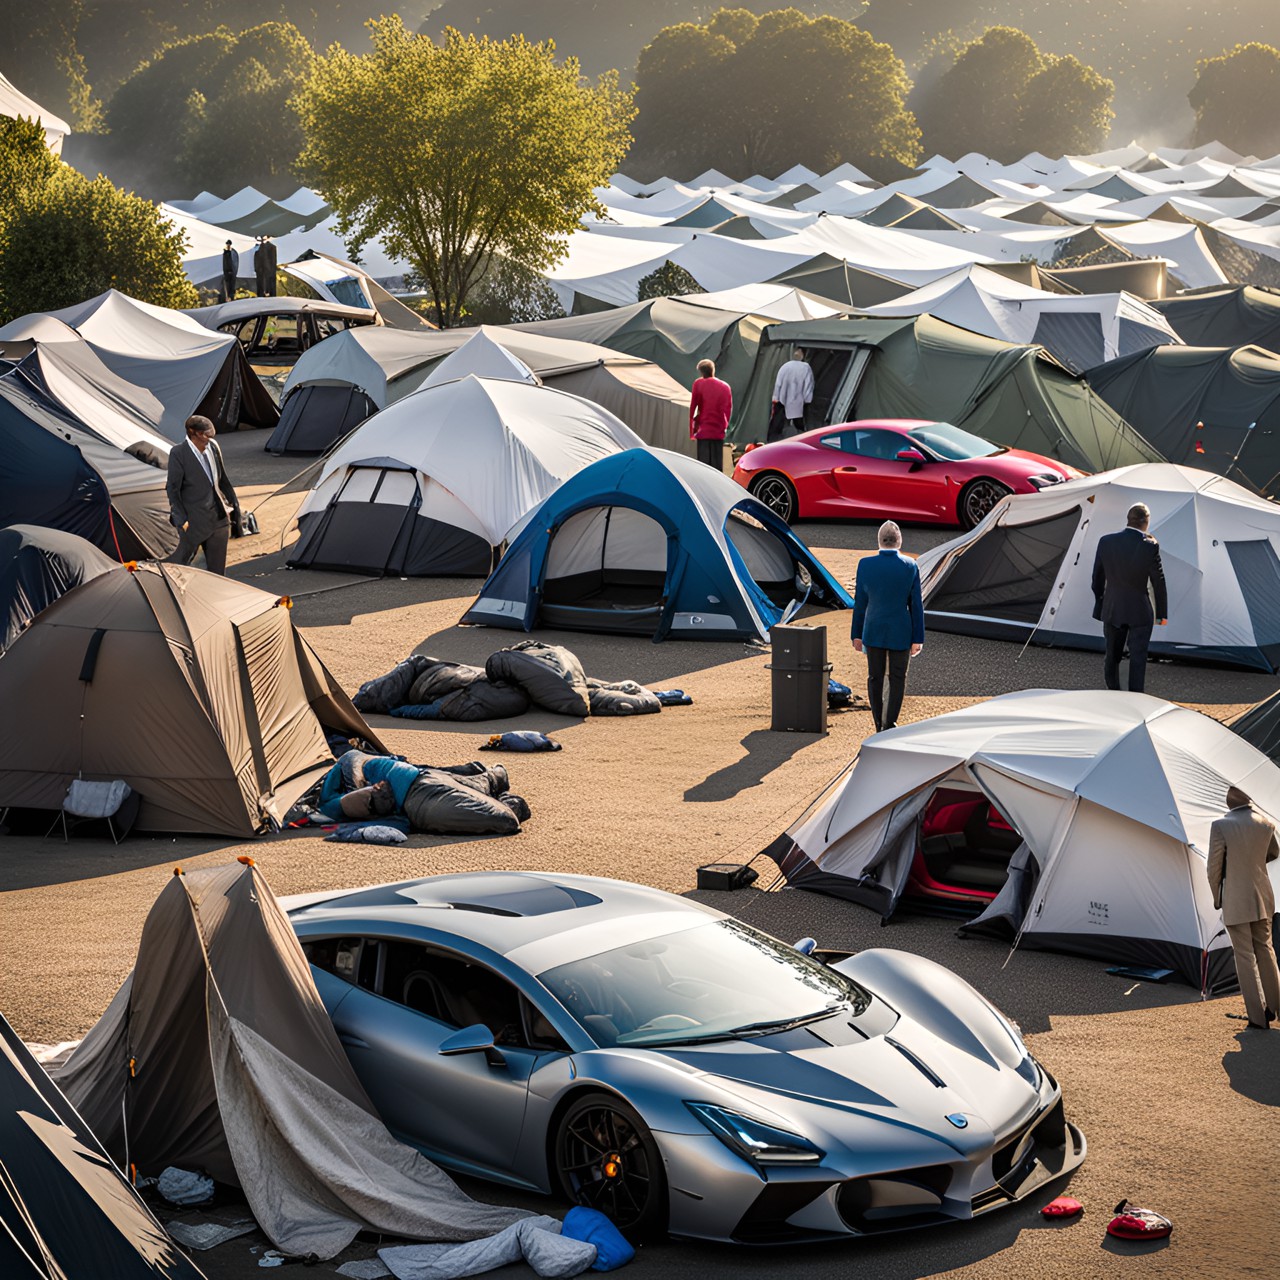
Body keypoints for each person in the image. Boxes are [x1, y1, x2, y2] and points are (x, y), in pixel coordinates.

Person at [1207, 786, 1280, 1030]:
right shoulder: (1266, 824)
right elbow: (1274, 852)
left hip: (1235, 898)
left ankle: (1257, 1018)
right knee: (1266, 951)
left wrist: (1218, 896)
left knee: (1245, 956)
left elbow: (1213, 867)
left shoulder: (1220, 825)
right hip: (1262, 895)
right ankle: (1275, 1009)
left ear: (1229, 804)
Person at [851, 520, 924, 732]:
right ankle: (889, 722)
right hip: (901, 629)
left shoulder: (865, 564)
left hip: (873, 628)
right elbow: (916, 605)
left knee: (875, 676)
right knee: (898, 678)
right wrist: (918, 637)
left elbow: (860, 603)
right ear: (899, 542)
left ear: (879, 541)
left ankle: (877, 723)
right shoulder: (910, 565)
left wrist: (856, 633)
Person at [1090, 502, 1167, 693]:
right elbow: (1159, 582)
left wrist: (1101, 603)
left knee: (1112, 653)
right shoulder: (1150, 546)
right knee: (1138, 656)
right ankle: (1135, 695)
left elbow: (1096, 578)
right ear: (1146, 522)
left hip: (1112, 606)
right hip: (1140, 610)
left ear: (1128, 519)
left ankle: (1113, 689)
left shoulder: (1106, 541)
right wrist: (1161, 616)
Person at [165, 414, 241, 576]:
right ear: (194, 433)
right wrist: (180, 519)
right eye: (206, 435)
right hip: (194, 520)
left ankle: (216, 596)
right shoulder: (179, 453)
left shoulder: (213, 447)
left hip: (219, 518)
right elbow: (173, 488)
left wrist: (232, 506)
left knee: (217, 570)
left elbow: (222, 479)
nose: (209, 439)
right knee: (183, 565)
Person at [689, 358, 732, 470]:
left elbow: (693, 407)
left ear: (702, 372)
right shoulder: (725, 386)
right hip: (718, 430)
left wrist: (692, 431)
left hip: (703, 431)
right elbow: (728, 409)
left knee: (703, 467)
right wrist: (724, 427)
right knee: (717, 466)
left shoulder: (698, 384)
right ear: (713, 370)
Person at [770, 346, 814, 440]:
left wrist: (775, 398)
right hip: (798, 402)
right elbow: (808, 386)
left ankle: (772, 439)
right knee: (800, 424)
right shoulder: (806, 368)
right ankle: (803, 440)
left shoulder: (785, 366)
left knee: (777, 423)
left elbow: (778, 384)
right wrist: (807, 399)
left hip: (783, 400)